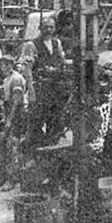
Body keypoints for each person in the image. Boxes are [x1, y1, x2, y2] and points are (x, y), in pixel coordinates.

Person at [27, 16, 71, 145]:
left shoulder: (57, 43)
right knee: (38, 117)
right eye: (46, 27)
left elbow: (62, 61)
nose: (49, 30)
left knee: (56, 115)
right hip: (41, 86)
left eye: (51, 27)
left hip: (56, 86)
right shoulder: (31, 45)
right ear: (40, 28)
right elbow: (27, 70)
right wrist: (30, 90)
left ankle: (53, 143)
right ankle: (35, 146)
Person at [0, 55, 27, 191]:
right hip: (8, 113)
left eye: (3, 65)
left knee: (12, 146)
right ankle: (4, 176)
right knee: (3, 143)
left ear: (9, 65)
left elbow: (16, 102)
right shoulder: (7, 79)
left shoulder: (16, 78)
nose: (1, 68)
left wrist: (9, 121)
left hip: (16, 115)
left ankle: (12, 179)